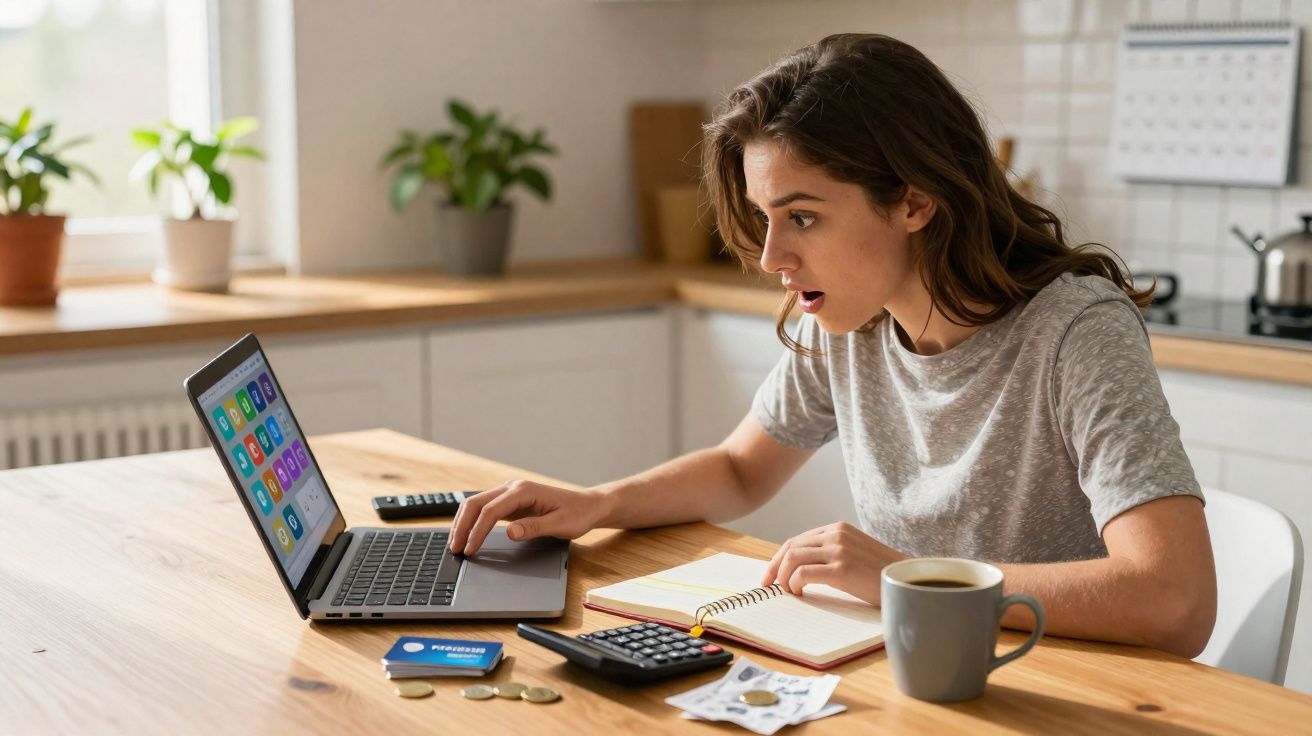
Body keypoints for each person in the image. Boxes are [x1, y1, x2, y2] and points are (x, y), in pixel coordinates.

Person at [448, 33, 1216, 658]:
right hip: (923, 677)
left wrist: (912, 580)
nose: (771, 257)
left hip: (1060, 689)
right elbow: (740, 469)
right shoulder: (853, 317)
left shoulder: (1076, 332)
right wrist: (598, 502)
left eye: (804, 217)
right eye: (765, 217)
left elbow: (1174, 600)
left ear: (915, 200)